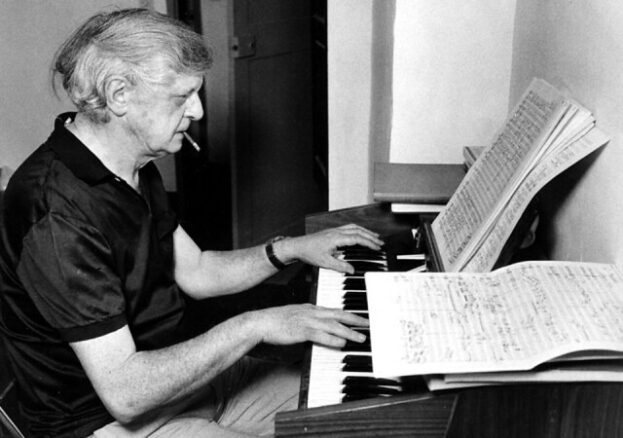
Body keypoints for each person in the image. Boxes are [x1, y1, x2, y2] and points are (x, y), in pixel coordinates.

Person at [0, 8, 383, 438]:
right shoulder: (55, 213)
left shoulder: (131, 165)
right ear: (119, 94)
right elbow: (125, 392)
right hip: (103, 420)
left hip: (176, 383)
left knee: (352, 413)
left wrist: (289, 249)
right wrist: (255, 325)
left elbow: (198, 271)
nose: (198, 111)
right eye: (182, 96)